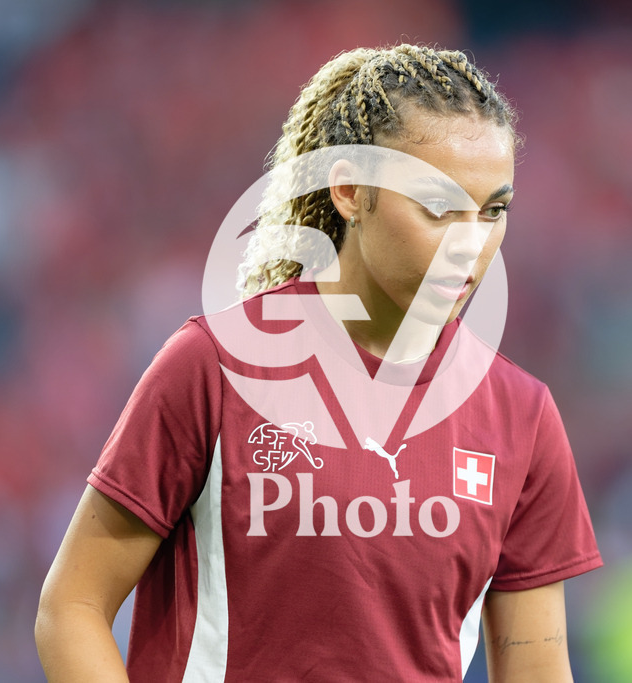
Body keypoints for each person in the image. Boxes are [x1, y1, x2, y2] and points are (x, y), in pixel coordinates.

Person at [35, 44, 601, 682]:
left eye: (493, 210)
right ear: (351, 191)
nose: (472, 245)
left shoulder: (521, 417)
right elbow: (72, 607)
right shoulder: (212, 369)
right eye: (439, 209)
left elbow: (536, 669)